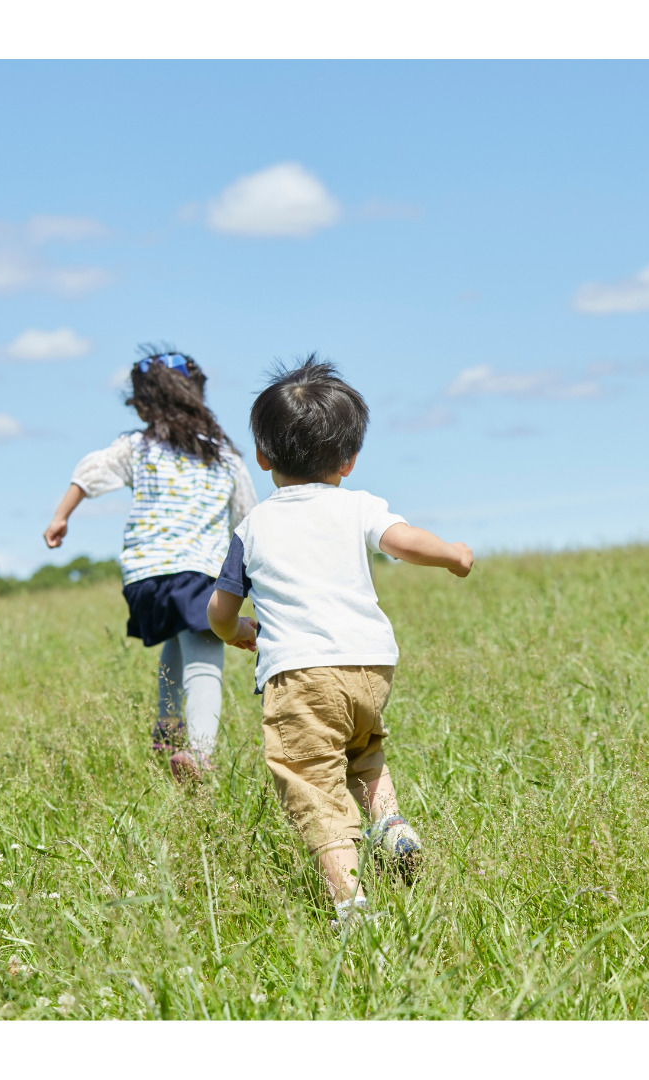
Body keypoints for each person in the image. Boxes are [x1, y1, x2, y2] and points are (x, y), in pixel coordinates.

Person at [206, 356, 474, 929]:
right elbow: (402, 542)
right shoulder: (359, 506)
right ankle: (391, 824)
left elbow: (221, 611)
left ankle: (351, 908)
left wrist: (238, 633)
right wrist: (451, 553)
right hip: (370, 668)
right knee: (363, 751)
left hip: (300, 673)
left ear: (262, 457)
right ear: (349, 460)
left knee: (313, 783)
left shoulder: (252, 528)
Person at [44, 347, 258, 782]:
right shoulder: (224, 457)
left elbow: (91, 470)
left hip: (145, 577)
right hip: (196, 568)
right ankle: (199, 753)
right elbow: (249, 520)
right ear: (197, 396)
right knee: (204, 658)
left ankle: (167, 729)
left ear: (144, 404)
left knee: (177, 639)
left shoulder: (137, 447)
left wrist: (61, 515)